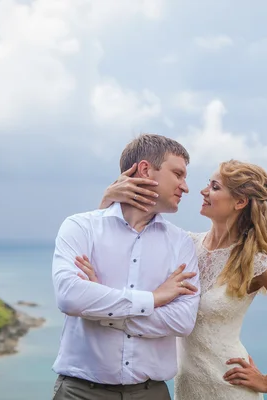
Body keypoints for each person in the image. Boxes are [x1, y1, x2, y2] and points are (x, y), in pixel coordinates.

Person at [77, 159, 267, 399]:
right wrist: (108, 200)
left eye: (214, 186)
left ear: (240, 201)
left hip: (230, 388)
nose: (202, 191)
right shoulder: (185, 244)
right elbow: (126, 244)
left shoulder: (257, 263)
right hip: (186, 386)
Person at [50, 134, 201, 400]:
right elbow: (70, 296)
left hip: (151, 393)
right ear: (145, 169)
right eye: (178, 174)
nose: (185, 187)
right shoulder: (80, 227)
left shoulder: (182, 243)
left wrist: (100, 309)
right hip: (80, 393)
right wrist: (153, 299)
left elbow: (182, 320)